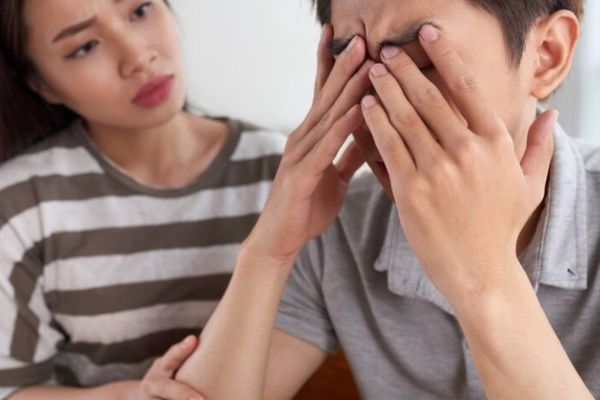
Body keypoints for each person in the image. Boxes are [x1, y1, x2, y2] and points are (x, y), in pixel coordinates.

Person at [174, 0, 599, 399]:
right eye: (351, 70)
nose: (380, 111)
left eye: (420, 65)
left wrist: (485, 277)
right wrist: (268, 251)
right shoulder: (342, 223)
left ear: (547, 53)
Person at [0, 0, 285, 399]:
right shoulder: (21, 204)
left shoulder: (281, 173)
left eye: (140, 10)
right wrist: (128, 396)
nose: (137, 57)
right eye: (84, 47)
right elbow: (10, 388)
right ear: (41, 83)